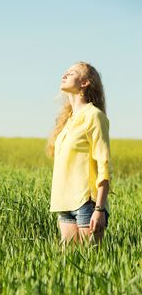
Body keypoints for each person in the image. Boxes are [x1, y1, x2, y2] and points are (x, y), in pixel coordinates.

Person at [46, 61, 113, 250]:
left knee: (90, 263)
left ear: (85, 82)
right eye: (65, 71)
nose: (64, 75)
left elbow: (104, 164)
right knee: (70, 267)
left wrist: (99, 209)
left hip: (87, 203)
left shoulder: (94, 116)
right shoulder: (67, 122)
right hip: (63, 202)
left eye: (72, 72)